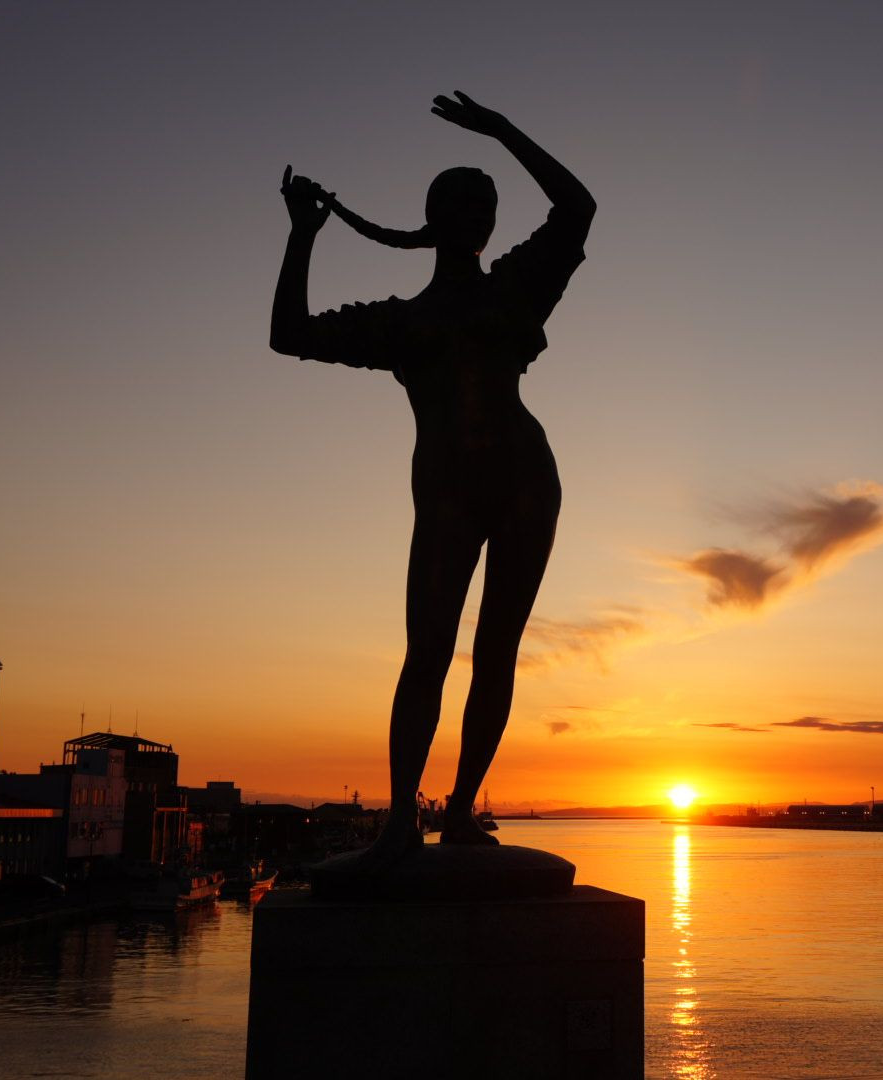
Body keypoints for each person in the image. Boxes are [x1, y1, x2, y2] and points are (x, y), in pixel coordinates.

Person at [270, 92, 594, 864]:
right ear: (439, 219)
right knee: (428, 653)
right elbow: (290, 334)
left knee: (497, 649)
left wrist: (502, 129)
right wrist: (303, 236)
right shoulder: (404, 321)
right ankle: (398, 822)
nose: (479, 218)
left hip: (525, 481)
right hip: (447, 490)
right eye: (465, 205)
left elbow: (578, 208)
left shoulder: (514, 287)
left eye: (486, 207)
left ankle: (458, 812)